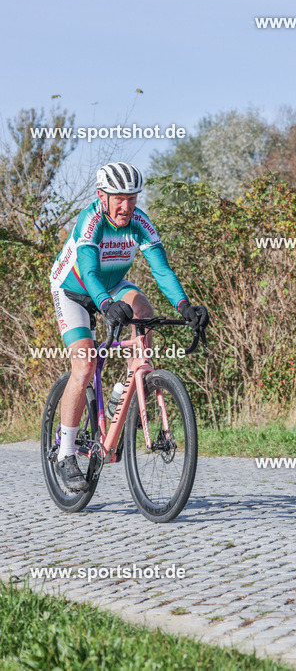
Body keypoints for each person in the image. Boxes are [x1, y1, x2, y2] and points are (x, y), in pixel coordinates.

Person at [49, 162, 210, 491]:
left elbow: (161, 270)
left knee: (144, 310)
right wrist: (106, 305)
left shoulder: (140, 222)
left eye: (132, 199)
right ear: (102, 197)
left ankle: (123, 392)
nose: (126, 206)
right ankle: (65, 454)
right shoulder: (91, 221)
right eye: (119, 199)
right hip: (73, 290)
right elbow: (89, 272)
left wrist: (184, 306)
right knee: (84, 365)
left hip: (112, 286)